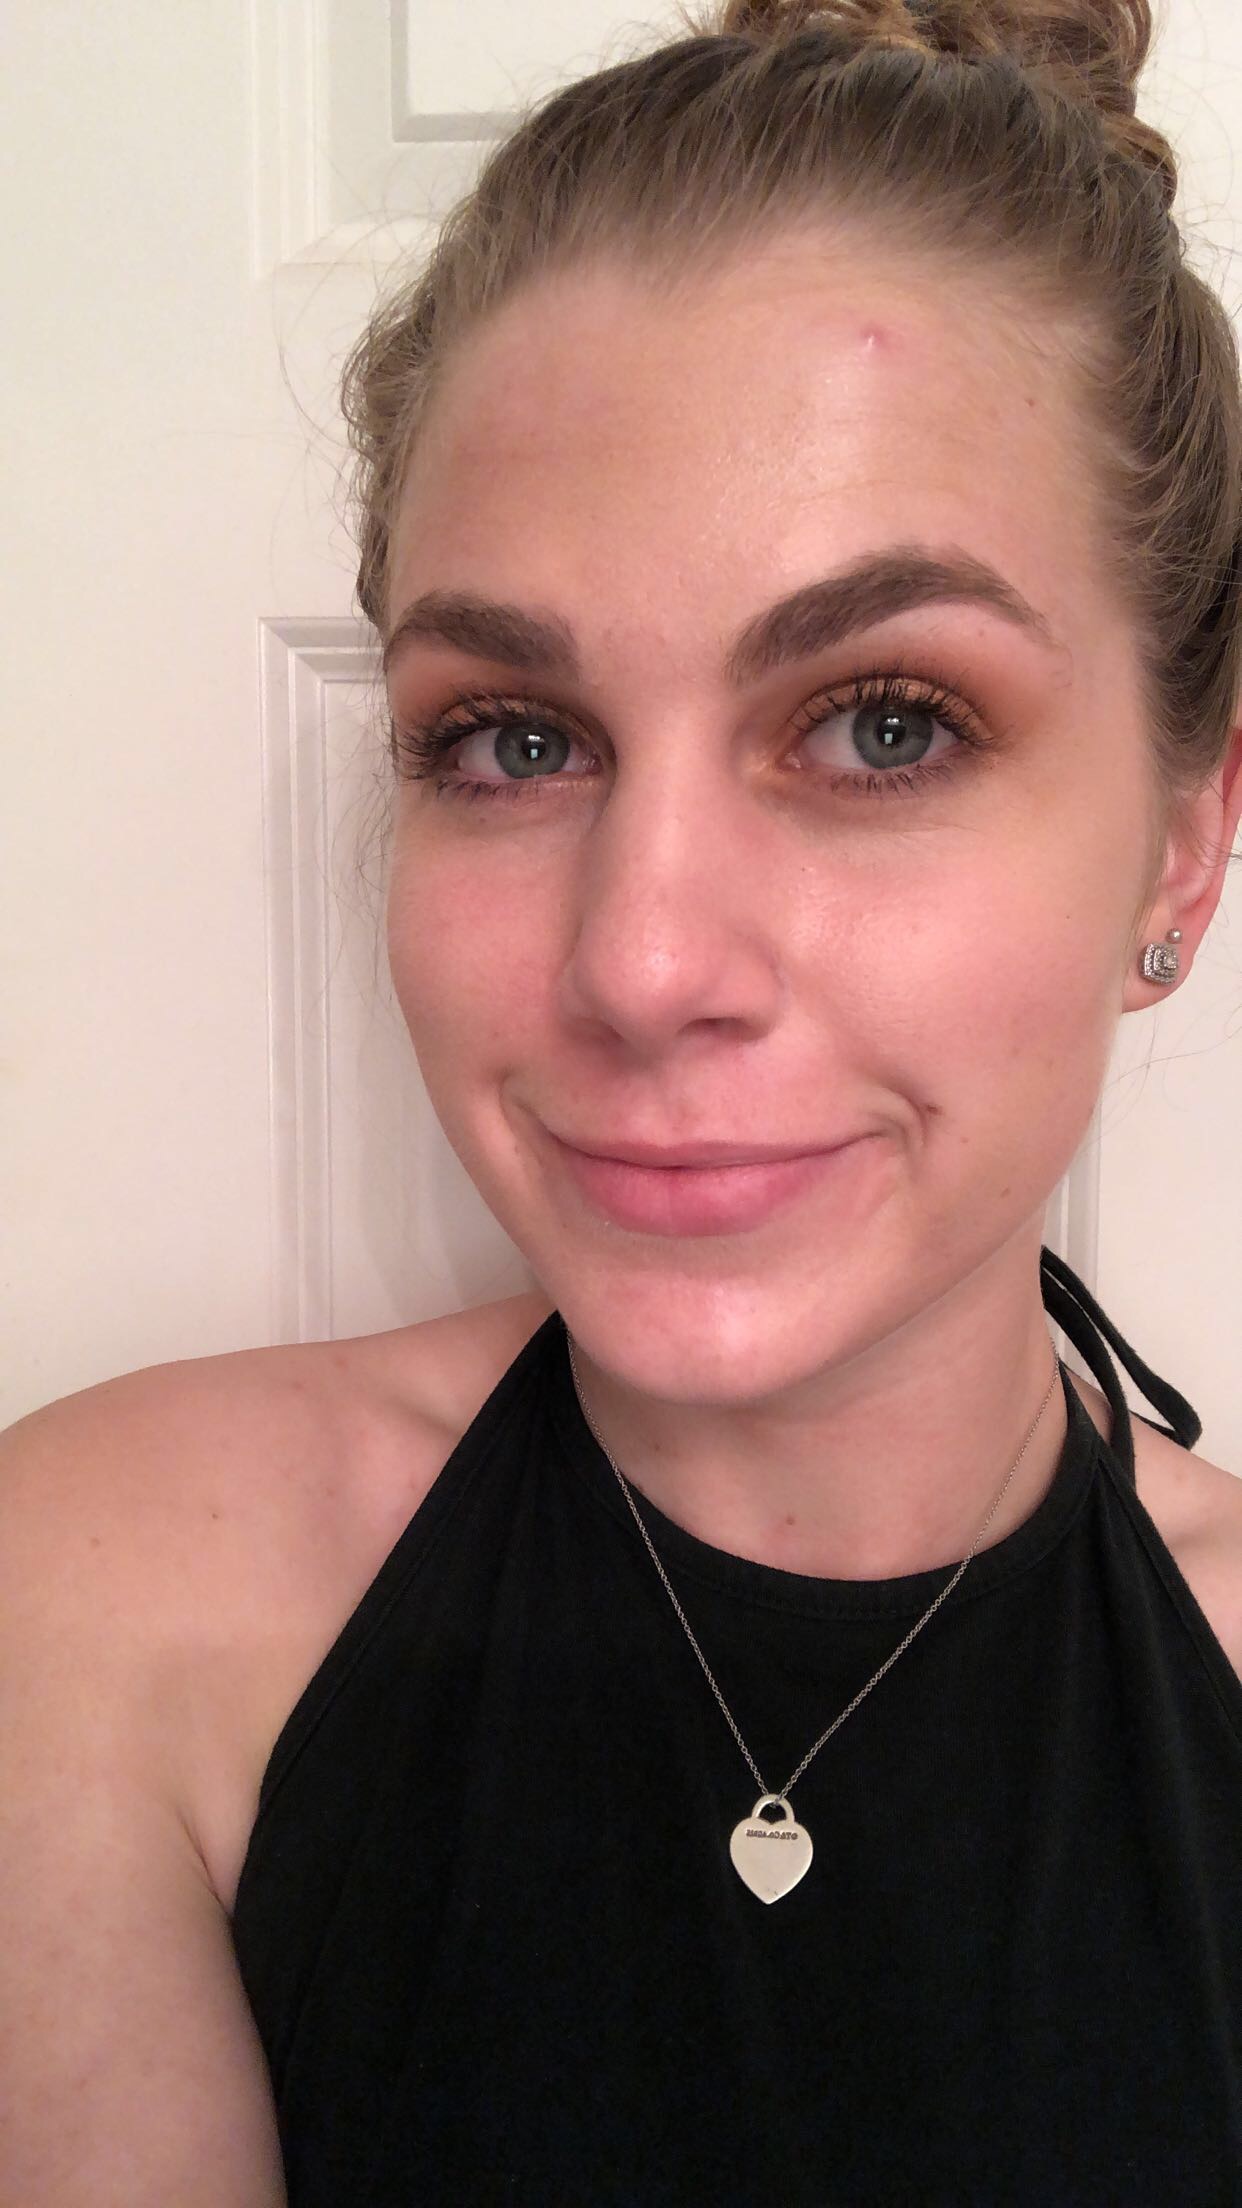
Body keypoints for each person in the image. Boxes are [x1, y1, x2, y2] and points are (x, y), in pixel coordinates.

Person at [4, 0, 1242, 2198]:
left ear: (1182, 845)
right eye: (514, 740)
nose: (639, 962)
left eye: (883, 723)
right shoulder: (93, 1609)